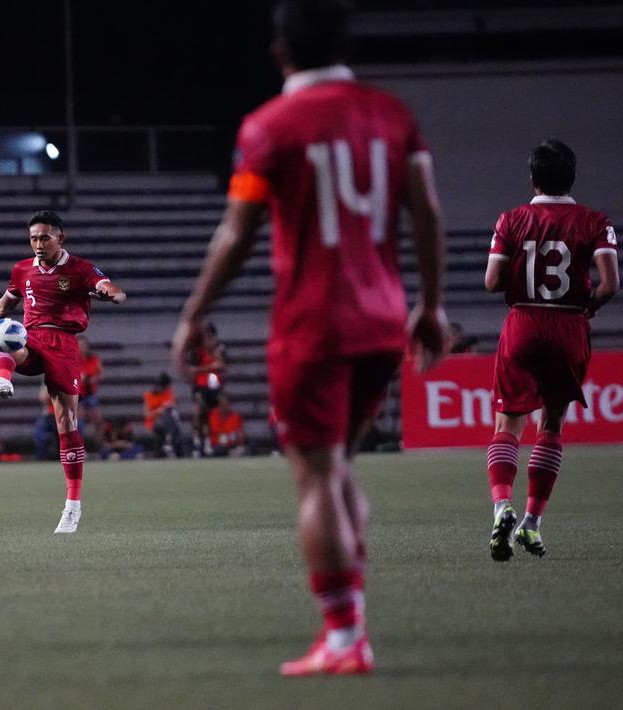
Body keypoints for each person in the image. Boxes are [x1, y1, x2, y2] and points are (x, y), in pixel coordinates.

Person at [171, 0, 449, 676]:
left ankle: (345, 637)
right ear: (346, 46)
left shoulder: (269, 125)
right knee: (338, 468)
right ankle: (351, 626)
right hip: (383, 320)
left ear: (278, 53)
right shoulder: (392, 114)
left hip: (313, 324)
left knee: (317, 476)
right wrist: (431, 305)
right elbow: (427, 213)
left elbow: (237, 234)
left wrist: (193, 314)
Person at [484, 139, 620, 561]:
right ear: (573, 177)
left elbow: (492, 282)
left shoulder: (511, 219)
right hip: (568, 324)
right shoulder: (594, 220)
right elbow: (611, 284)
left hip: (523, 323)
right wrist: (589, 307)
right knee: (553, 422)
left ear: (533, 179)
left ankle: (501, 506)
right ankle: (532, 522)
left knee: (508, 421)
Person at [0, 210, 128, 534]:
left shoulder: (79, 268)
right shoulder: (22, 269)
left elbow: (109, 286)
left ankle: (72, 506)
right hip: (32, 337)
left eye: (45, 238)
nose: (38, 244)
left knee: (66, 421)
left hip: (64, 344)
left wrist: (113, 294)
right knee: (1, 333)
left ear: (60, 238)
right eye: (33, 238)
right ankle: (1, 382)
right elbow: (5, 304)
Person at [188, 323, 227, 457]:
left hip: (215, 387)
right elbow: (191, 370)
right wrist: (211, 367)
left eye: (210, 336)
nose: (208, 339)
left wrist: (203, 369)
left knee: (214, 414)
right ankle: (198, 442)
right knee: (199, 413)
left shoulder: (219, 349)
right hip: (200, 387)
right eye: (206, 336)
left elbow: (221, 366)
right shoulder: (196, 351)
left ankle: (211, 442)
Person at [143, 373, 187, 458]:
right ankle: (170, 442)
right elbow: (146, 414)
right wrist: (158, 411)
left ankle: (171, 442)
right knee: (168, 421)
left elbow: (172, 406)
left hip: (168, 422)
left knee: (169, 415)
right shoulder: (148, 395)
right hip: (153, 422)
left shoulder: (168, 392)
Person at [77, 336, 105, 448]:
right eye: (80, 345)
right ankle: (79, 447)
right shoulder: (72, 359)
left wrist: (94, 379)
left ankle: (100, 446)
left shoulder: (94, 359)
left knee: (98, 420)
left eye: (84, 345)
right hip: (78, 394)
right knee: (79, 421)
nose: (82, 348)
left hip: (90, 393)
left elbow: (100, 374)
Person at [31, 386, 59, 461]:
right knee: (40, 431)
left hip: (65, 414)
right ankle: (41, 458)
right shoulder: (49, 382)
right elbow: (43, 398)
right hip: (50, 415)